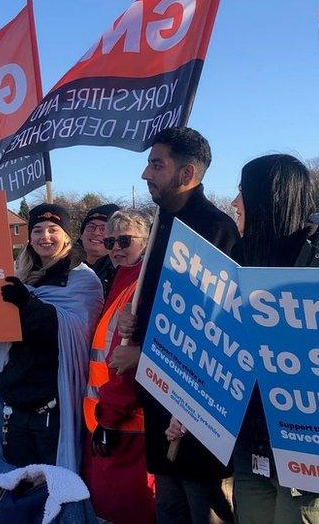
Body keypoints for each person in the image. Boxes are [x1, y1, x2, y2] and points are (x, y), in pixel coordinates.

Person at [229, 155, 319, 524]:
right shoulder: (241, 256)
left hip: (309, 448)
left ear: (270, 198)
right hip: (251, 443)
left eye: (242, 192)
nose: (235, 203)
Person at [117, 126, 239, 524]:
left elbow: (213, 327)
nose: (145, 174)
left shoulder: (214, 229)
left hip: (196, 404)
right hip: (158, 395)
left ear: (186, 174)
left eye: (157, 164)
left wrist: (143, 350)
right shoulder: (161, 223)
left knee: (201, 506)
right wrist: (133, 322)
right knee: (168, 504)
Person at [0, 203, 104, 470]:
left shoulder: (82, 280)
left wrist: (28, 304)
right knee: (18, 486)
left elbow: (74, 332)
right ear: (29, 238)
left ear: (67, 235)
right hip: (16, 403)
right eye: (37, 230)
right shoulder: (17, 277)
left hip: (53, 405)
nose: (45, 237)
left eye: (53, 229)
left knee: (51, 487)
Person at [82, 209, 156, 524]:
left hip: (126, 428)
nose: (116, 248)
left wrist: (110, 421)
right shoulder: (123, 279)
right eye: (110, 241)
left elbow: (124, 364)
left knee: (125, 512)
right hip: (107, 420)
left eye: (125, 240)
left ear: (148, 241)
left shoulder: (141, 285)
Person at [78, 203, 120, 296]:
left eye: (103, 229)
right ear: (81, 235)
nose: (96, 233)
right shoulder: (63, 266)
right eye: (91, 227)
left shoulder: (120, 271)